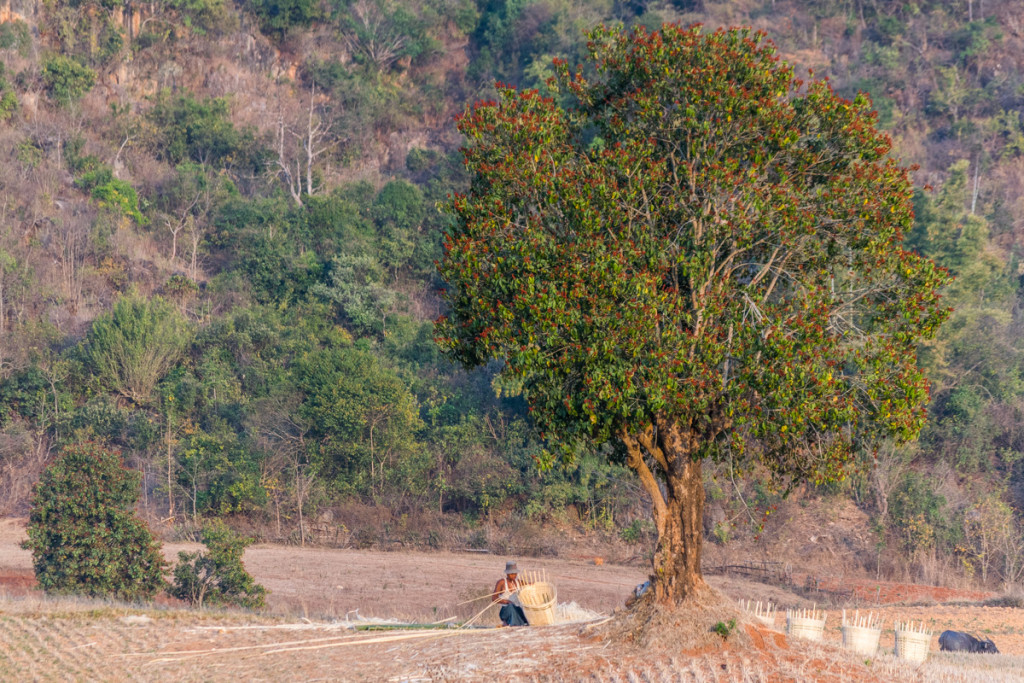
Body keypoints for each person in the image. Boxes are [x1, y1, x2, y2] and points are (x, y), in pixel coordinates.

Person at [493, 560, 529, 626]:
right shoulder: (501, 582)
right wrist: (506, 601)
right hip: (506, 611)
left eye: (515, 573)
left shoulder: (519, 582)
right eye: (511, 574)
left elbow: (529, 585)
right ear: (507, 573)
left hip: (518, 610)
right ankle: (512, 623)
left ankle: (522, 622)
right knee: (511, 606)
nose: (514, 575)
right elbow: (494, 598)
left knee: (523, 610)